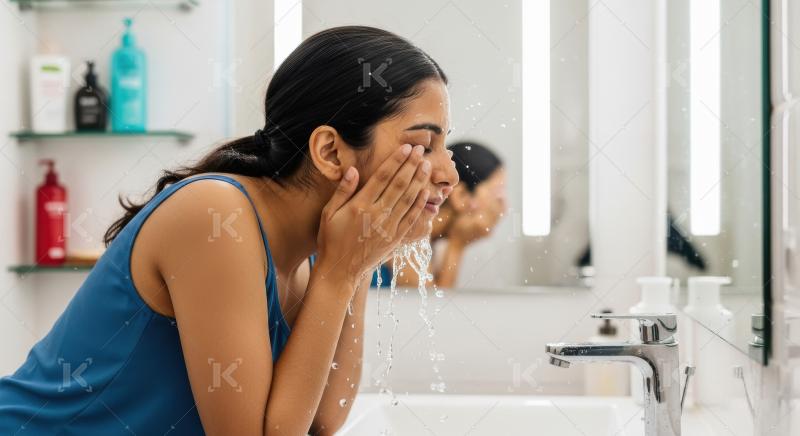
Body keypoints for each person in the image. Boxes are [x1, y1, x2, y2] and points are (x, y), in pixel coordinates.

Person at [0, 26, 457, 436]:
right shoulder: (217, 216)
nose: (449, 175)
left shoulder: (319, 252)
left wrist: (355, 265)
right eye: (422, 145)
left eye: (445, 147)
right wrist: (340, 275)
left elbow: (323, 421)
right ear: (330, 152)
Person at [373, 141, 505, 289]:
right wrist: (456, 246)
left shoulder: (429, 240)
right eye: (497, 193)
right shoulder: (409, 232)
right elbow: (430, 303)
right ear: (461, 196)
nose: (503, 207)